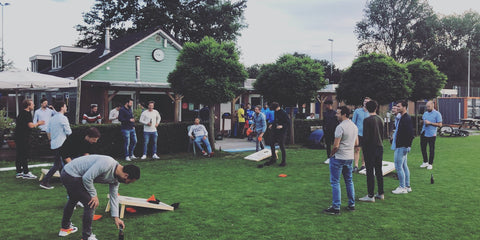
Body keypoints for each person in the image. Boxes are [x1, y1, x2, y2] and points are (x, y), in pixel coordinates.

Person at [58, 154, 140, 240]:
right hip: (70, 174)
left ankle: (65, 228)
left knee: (73, 199)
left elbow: (114, 196)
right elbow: (87, 178)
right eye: (129, 182)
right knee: (91, 203)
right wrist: (94, 195)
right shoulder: (107, 163)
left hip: (71, 174)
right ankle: (87, 236)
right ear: (126, 176)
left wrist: (116, 218)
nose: (127, 184)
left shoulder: (116, 179)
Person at [323, 106, 358, 215]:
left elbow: (336, 145)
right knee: (349, 181)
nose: (336, 115)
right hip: (349, 157)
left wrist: (331, 155)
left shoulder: (340, 127)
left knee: (335, 182)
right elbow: (356, 143)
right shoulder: (354, 126)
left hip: (338, 157)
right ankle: (351, 204)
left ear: (344, 115)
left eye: (338, 113)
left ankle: (336, 207)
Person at [40, 101, 72, 190]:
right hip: (62, 144)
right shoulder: (63, 118)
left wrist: (50, 140)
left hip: (54, 144)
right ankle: (45, 181)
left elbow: (48, 131)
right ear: (62, 108)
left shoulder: (52, 118)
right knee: (58, 165)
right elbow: (69, 132)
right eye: (65, 106)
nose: (66, 108)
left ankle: (64, 181)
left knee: (61, 164)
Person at [359, 100, 385, 202]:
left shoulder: (367, 120)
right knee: (379, 171)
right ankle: (381, 193)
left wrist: (363, 149)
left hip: (370, 148)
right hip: (380, 147)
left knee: (370, 171)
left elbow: (366, 137)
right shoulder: (380, 119)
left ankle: (370, 195)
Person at [15, 99, 45, 179]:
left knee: (19, 154)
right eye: (32, 104)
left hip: (18, 137)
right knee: (24, 154)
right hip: (23, 137)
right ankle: (26, 172)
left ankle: (19, 172)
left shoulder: (21, 113)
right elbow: (31, 125)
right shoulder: (27, 113)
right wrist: (39, 123)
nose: (34, 105)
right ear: (28, 106)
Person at [392, 100, 414, 194]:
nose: (397, 108)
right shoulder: (402, 117)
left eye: (399, 106)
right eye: (396, 106)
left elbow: (410, 134)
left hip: (402, 146)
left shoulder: (406, 118)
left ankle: (402, 187)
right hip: (402, 146)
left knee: (398, 166)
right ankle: (407, 186)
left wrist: (407, 146)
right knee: (404, 166)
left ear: (404, 107)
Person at [258, 102, 289, 168]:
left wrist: (282, 126)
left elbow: (288, 123)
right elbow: (276, 120)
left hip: (282, 132)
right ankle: (273, 158)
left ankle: (283, 161)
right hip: (275, 131)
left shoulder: (283, 113)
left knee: (281, 146)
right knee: (271, 143)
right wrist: (272, 125)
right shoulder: (275, 112)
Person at [420, 101, 442, 170]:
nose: (427, 108)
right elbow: (422, 121)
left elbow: (440, 124)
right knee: (423, 148)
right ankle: (425, 161)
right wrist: (422, 122)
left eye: (428, 106)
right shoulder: (425, 113)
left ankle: (430, 163)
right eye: (426, 106)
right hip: (424, 132)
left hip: (432, 133)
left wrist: (430, 123)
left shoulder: (437, 114)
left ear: (432, 106)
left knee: (431, 149)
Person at [352, 97, 371, 172]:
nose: (365, 103)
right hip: (358, 134)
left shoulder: (370, 112)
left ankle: (363, 165)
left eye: (367, 102)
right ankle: (356, 166)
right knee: (357, 149)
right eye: (364, 101)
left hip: (367, 134)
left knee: (365, 150)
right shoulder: (357, 111)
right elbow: (353, 122)